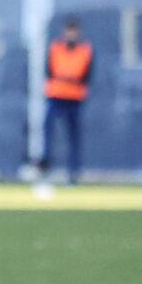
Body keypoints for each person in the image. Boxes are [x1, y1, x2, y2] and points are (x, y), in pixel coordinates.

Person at [42, 18, 91, 184]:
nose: (71, 35)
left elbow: (85, 75)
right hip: (56, 96)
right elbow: (49, 71)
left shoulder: (85, 50)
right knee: (48, 134)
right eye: (69, 31)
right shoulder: (55, 48)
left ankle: (73, 173)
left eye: (74, 32)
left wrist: (70, 78)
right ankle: (45, 170)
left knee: (73, 137)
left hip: (74, 98)